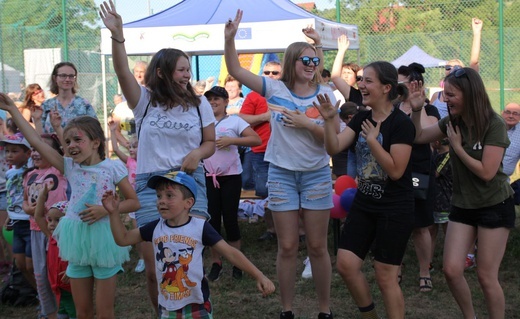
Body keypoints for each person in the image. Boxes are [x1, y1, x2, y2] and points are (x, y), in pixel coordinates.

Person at [99, 0, 216, 313]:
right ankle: (163, 313)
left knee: (190, 261)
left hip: (190, 183)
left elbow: (210, 143)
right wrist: (118, 36)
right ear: (162, 72)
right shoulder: (144, 100)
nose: (187, 75)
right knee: (154, 268)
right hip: (151, 185)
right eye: (181, 70)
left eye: (188, 70)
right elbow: (122, 69)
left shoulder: (199, 103)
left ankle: (198, 312)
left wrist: (197, 154)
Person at [225, 10, 334, 319]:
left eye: (315, 61)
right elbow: (234, 68)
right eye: (305, 61)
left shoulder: (325, 95)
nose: (311, 66)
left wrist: (307, 123)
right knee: (286, 247)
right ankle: (287, 310)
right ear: (291, 63)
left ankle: (324, 311)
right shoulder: (274, 88)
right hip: (282, 174)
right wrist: (229, 39)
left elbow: (331, 144)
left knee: (317, 247)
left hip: (315, 175)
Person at [0, 93, 140, 319]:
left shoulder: (112, 168)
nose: (71, 146)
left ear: (95, 142)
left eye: (77, 140)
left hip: (105, 240)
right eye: (67, 142)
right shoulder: (69, 166)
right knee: (82, 312)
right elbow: (36, 141)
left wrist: (105, 210)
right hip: (75, 241)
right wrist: (12, 110)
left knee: (105, 313)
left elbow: (134, 202)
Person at [409, 67, 514, 319]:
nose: (446, 99)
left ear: (469, 94)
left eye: (452, 95)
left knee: (486, 277)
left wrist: (457, 147)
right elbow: (419, 136)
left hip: (494, 205)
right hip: (463, 206)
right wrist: (416, 110)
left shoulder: (494, 124)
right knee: (451, 270)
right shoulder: (451, 122)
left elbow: (488, 172)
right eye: (445, 94)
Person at [315, 61, 415, 319]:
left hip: (394, 207)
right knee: (346, 265)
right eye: (361, 80)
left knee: (385, 275)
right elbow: (334, 147)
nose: (361, 85)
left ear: (386, 88)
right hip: (365, 203)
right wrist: (329, 121)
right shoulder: (361, 117)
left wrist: (372, 141)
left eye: (368, 81)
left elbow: (396, 171)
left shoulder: (401, 124)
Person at [101, 171, 275, 318]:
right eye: (159, 196)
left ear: (188, 203)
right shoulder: (155, 228)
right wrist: (114, 213)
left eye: (169, 196)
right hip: (167, 305)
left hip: (197, 305)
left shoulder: (200, 227)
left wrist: (259, 275)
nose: (161, 200)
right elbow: (122, 239)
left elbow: (230, 253)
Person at [202, 86, 261, 281]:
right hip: (209, 177)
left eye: (217, 99)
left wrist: (231, 140)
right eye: (209, 99)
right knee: (212, 220)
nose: (212, 102)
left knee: (230, 219)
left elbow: (255, 139)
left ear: (226, 101)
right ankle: (216, 262)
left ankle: (237, 263)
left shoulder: (235, 121)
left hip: (231, 177)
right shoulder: (202, 123)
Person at [397, 62, 440, 292]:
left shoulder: (429, 109)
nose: (397, 87)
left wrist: (418, 104)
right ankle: (397, 266)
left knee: (420, 225)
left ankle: (425, 271)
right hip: (393, 170)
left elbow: (425, 135)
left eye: (402, 82)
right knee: (396, 221)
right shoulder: (391, 106)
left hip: (417, 171)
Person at [22, 133, 69, 319]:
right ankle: (48, 311)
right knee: (40, 273)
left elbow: (66, 153)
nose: (36, 152)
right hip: (36, 229)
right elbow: (25, 201)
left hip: (56, 232)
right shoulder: (29, 175)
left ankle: (64, 308)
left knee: (58, 271)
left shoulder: (60, 171)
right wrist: (28, 209)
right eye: (34, 148)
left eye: (42, 149)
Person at [239, 61, 282, 242]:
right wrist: (264, 117)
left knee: (285, 192)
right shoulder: (254, 95)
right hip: (261, 151)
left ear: (282, 74)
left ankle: (298, 231)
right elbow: (242, 118)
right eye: (267, 72)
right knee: (265, 191)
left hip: (285, 152)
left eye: (275, 72)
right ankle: (272, 229)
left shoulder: (288, 93)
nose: (270, 75)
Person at [108, 121, 144, 273]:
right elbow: (115, 148)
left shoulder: (146, 162)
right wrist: (112, 131)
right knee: (137, 230)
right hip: (134, 202)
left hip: (146, 201)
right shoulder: (129, 162)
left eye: (134, 146)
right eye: (130, 147)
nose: (131, 149)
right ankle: (142, 258)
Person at [34, 188, 76, 319]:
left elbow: (79, 258)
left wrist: (71, 269)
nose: (52, 224)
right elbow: (38, 216)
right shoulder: (51, 237)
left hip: (71, 286)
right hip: (58, 287)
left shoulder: (72, 240)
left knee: (74, 311)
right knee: (62, 310)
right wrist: (42, 196)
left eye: (57, 220)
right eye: (50, 220)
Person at [430, 18, 482, 118]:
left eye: (457, 67)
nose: (452, 69)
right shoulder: (437, 96)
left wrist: (477, 33)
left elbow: (474, 62)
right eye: (448, 67)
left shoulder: (467, 92)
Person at [1, 133, 34, 290]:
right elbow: (11, 197)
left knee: (31, 265)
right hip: (16, 223)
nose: (9, 155)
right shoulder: (9, 173)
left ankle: (48, 295)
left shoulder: (31, 169)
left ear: (28, 153)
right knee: (21, 264)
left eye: (14, 151)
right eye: (7, 151)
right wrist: (9, 217)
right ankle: (39, 294)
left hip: (30, 222)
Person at [40, 62, 97, 134]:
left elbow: (95, 130)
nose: (67, 79)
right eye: (63, 76)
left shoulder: (84, 104)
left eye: (71, 76)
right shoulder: (46, 105)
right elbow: (40, 134)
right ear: (55, 78)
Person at [428, 137, 452, 272]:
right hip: (436, 201)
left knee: (449, 233)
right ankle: (428, 262)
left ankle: (449, 263)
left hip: (444, 202)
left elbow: (435, 173)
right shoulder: (439, 154)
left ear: (437, 142)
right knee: (431, 231)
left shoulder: (448, 156)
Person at [111, 61, 149, 146]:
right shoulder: (125, 97)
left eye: (141, 72)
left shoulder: (151, 94)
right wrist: (129, 146)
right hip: (127, 146)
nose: (138, 75)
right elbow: (116, 128)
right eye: (136, 71)